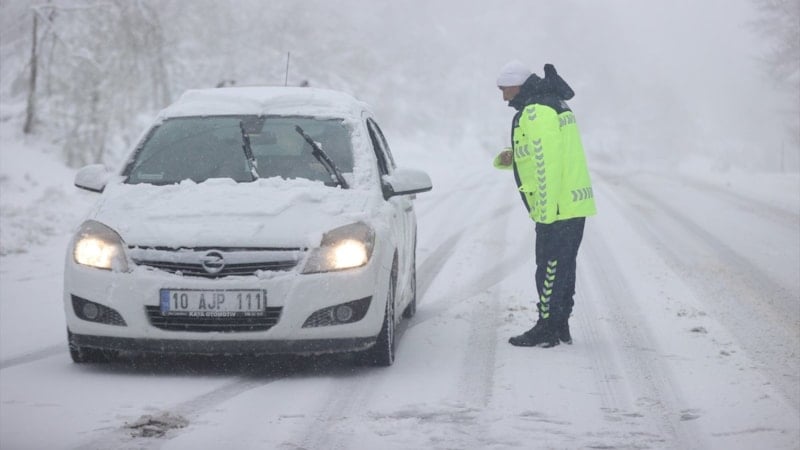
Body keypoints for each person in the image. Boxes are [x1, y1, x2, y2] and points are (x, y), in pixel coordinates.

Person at [493, 60, 596, 347]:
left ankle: (547, 326)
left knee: (549, 267)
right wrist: (511, 156)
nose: (504, 97)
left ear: (517, 85)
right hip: (571, 204)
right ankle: (560, 324)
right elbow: (547, 152)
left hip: (558, 207)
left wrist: (545, 212)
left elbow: (546, 163)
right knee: (563, 267)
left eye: (505, 89)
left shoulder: (536, 111)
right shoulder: (553, 103)